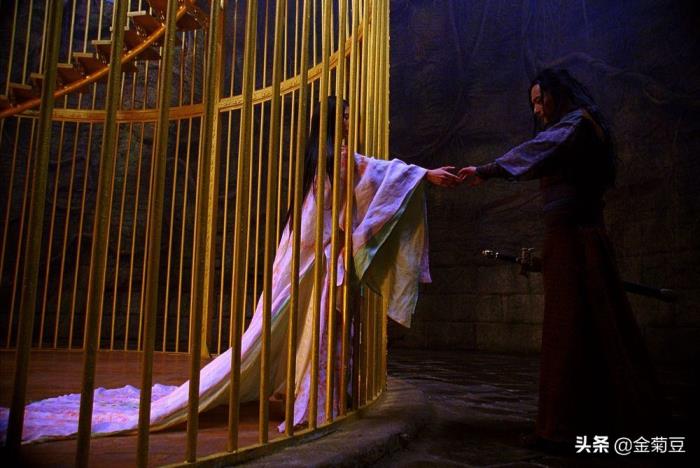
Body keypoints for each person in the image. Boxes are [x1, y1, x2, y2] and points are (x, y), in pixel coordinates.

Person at [0, 96, 461, 443]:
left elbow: (366, 179)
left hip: (307, 255)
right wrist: (424, 175)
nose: (347, 121)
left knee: (311, 325)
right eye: (341, 116)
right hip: (310, 256)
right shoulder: (332, 157)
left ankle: (320, 390)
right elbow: (376, 173)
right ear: (328, 121)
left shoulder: (323, 158)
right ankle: (316, 394)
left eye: (347, 116)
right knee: (304, 326)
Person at [459, 69, 666, 450]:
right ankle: (580, 421)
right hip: (572, 238)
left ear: (558, 94)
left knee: (568, 331)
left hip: (576, 239)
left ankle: (561, 428)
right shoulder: (575, 127)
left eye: (540, 100)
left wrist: (487, 171)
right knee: (580, 329)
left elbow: (538, 151)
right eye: (533, 104)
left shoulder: (578, 125)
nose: (537, 110)